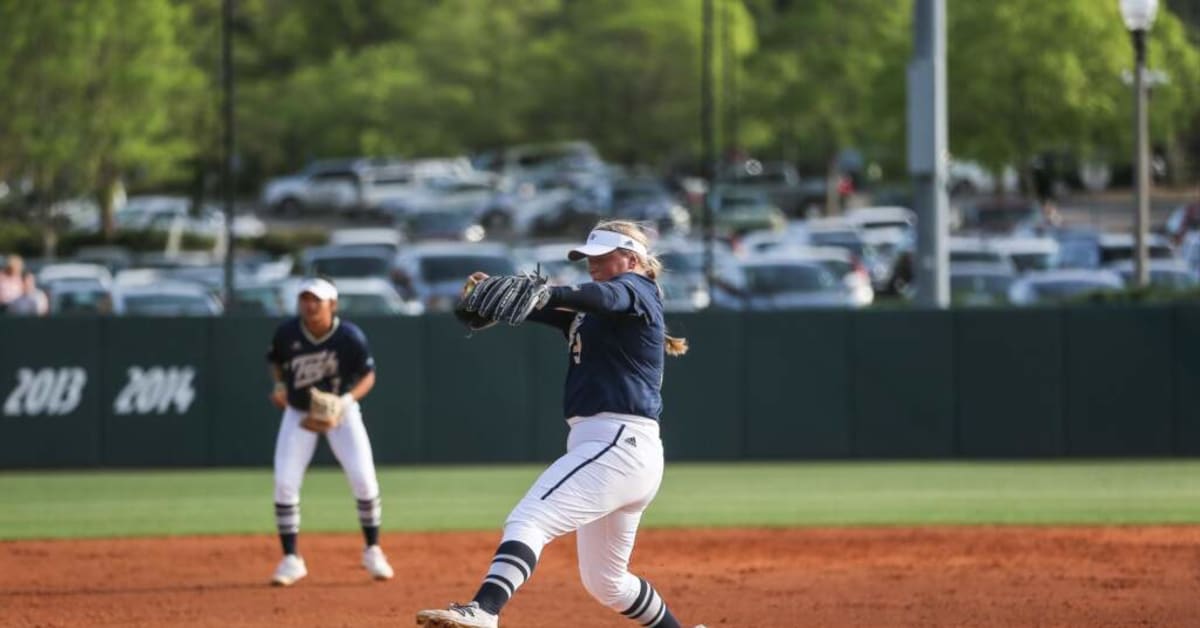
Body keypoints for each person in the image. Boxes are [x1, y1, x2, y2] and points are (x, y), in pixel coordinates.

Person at [416, 221, 704, 628]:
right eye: (590, 258)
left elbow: (603, 295)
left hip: (617, 443)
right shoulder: (595, 313)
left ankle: (484, 610)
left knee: (529, 519)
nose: (594, 265)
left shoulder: (636, 290)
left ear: (633, 259)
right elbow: (553, 307)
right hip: (621, 451)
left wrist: (548, 292)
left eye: (604, 257)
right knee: (606, 581)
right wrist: (494, 299)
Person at [265, 277, 394, 586]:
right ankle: (290, 559)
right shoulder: (288, 332)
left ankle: (373, 551)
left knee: (364, 480)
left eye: (316, 300)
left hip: (343, 411)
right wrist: (280, 384)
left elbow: (368, 375)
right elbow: (275, 361)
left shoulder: (349, 337)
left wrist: (344, 401)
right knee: (284, 483)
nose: (309, 305)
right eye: (305, 298)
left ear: (332, 305)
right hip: (299, 411)